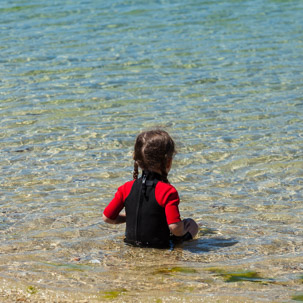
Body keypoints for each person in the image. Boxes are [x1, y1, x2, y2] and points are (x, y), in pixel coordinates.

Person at [102, 129, 198, 248]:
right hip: (159, 245)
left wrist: (132, 216)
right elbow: (175, 227)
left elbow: (107, 217)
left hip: (130, 243)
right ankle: (179, 247)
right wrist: (183, 231)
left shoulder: (125, 188)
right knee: (192, 224)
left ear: (137, 160)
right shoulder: (168, 191)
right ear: (168, 162)